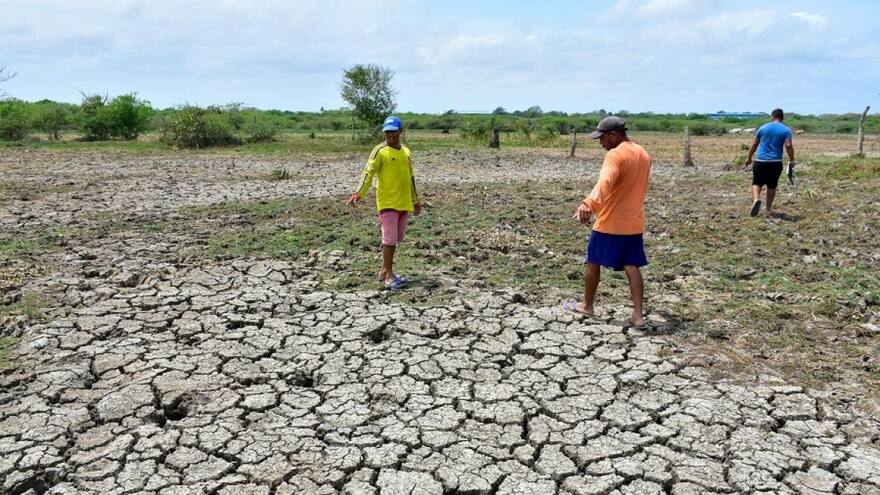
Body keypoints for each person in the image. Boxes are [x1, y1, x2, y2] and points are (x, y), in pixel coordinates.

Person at [564, 116, 652, 329]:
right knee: (632, 266)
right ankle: (638, 316)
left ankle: (587, 305)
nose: (601, 143)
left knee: (593, 261)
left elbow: (605, 182)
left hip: (610, 222)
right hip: (633, 222)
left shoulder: (615, 155)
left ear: (613, 135)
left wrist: (589, 204)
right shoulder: (643, 153)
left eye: (602, 138)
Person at [346, 116, 421, 290]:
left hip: (404, 202)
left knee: (396, 238)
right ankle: (389, 276)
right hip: (387, 203)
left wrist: (415, 201)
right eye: (387, 132)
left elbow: (410, 179)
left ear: (401, 131)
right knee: (389, 240)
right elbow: (368, 173)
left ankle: (383, 270)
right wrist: (359, 193)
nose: (390, 135)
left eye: (393, 131)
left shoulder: (406, 152)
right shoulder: (379, 151)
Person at [742, 108, 795, 217]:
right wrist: (791, 160)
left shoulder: (763, 128)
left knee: (757, 183)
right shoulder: (786, 130)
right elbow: (788, 146)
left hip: (760, 161)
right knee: (772, 185)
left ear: (772, 117)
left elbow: (755, 144)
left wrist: (749, 158)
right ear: (782, 118)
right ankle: (768, 209)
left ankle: (756, 199)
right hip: (775, 162)